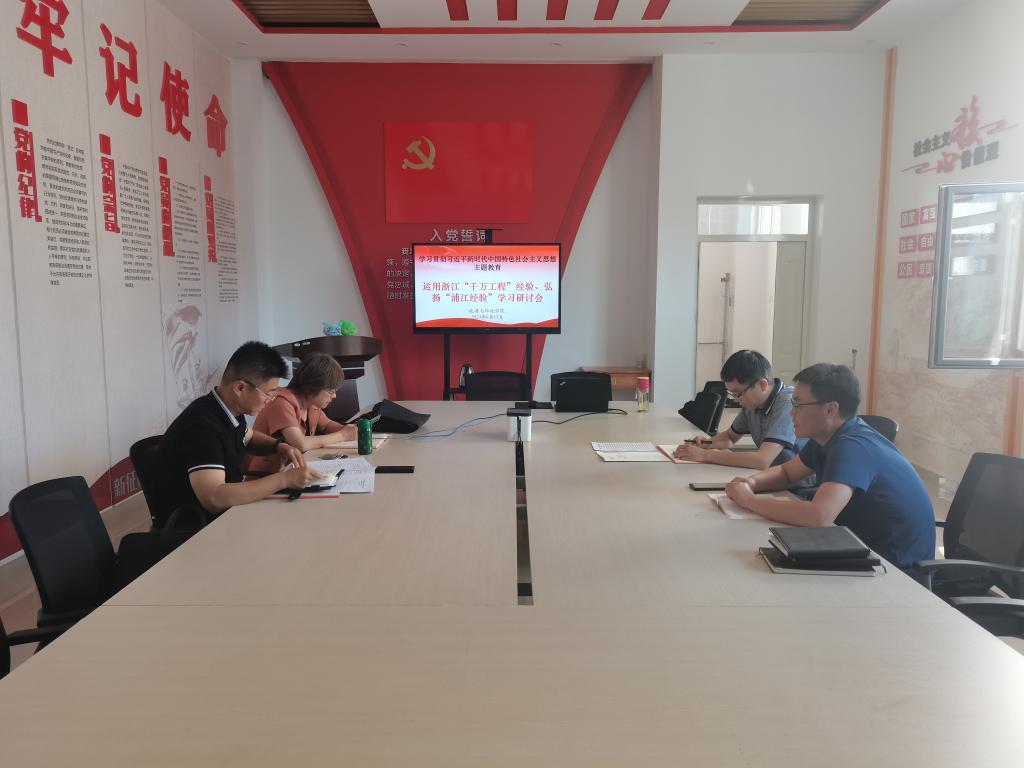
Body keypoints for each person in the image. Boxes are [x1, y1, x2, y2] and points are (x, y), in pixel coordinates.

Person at [723, 363, 935, 568]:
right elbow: (787, 473)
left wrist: (749, 500)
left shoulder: (853, 446)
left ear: (830, 409)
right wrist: (751, 483)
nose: (791, 413)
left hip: (895, 569)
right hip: (856, 546)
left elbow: (819, 515)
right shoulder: (827, 437)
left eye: (798, 405)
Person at [155, 340, 319, 528]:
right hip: (195, 529)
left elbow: (249, 436)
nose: (271, 400)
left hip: (229, 512)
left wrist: (279, 447)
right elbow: (214, 498)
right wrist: (284, 479)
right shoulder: (201, 427)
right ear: (240, 388)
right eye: (269, 393)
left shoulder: (228, 409)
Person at [674, 350, 808, 477]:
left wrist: (705, 455)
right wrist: (707, 444)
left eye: (738, 394)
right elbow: (730, 437)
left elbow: (762, 460)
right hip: (774, 477)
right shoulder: (752, 403)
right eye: (732, 394)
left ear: (762, 384)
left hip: (798, 485)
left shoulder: (788, 402)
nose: (736, 400)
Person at [243, 353, 357, 475]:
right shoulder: (280, 402)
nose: (334, 396)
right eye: (331, 391)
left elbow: (327, 425)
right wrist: (343, 435)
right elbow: (300, 444)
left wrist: (353, 430)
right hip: (266, 477)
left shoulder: (312, 404)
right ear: (314, 386)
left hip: (292, 472)